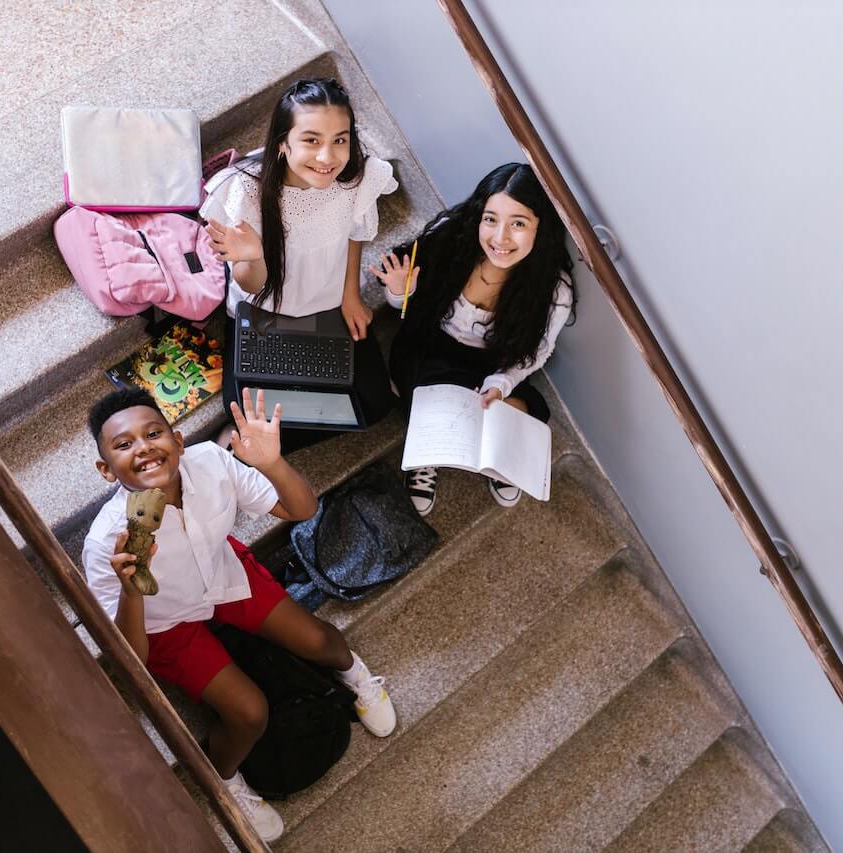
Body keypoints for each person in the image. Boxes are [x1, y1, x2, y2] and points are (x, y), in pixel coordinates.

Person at [82, 387, 396, 843]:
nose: (144, 447)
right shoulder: (104, 542)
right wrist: (132, 591)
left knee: (319, 642)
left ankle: (356, 677)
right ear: (105, 469)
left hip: (222, 572)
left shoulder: (210, 461)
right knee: (249, 712)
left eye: (153, 433)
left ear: (178, 440)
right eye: (124, 444)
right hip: (163, 621)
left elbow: (300, 508)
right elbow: (129, 654)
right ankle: (227, 779)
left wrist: (271, 463)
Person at [201, 77, 397, 452]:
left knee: (374, 405)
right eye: (311, 140)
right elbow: (252, 286)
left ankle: (264, 441)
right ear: (281, 144)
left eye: (339, 139)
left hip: (327, 305)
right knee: (245, 407)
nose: (327, 158)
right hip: (264, 314)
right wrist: (253, 255)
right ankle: (255, 442)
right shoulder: (246, 192)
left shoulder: (353, 174)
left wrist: (350, 295)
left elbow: (356, 230)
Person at [371, 163, 576, 515]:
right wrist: (399, 291)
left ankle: (500, 456)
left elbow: (537, 351)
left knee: (524, 408)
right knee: (421, 386)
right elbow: (409, 309)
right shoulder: (451, 239)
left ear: (541, 227)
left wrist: (501, 383)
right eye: (491, 219)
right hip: (431, 344)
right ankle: (428, 452)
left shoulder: (553, 289)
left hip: (489, 362)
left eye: (518, 224)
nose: (500, 238)